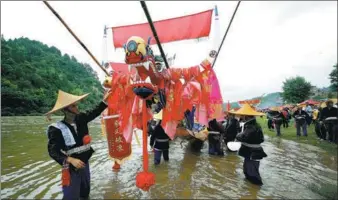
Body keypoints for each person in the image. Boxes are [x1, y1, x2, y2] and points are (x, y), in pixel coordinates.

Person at [46, 89, 111, 200]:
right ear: (65, 111)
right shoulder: (56, 129)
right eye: (73, 106)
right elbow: (53, 151)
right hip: (71, 166)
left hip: (85, 161)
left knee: (85, 192)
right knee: (71, 195)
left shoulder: (82, 118)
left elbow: (94, 111)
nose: (77, 108)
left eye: (76, 105)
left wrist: (105, 101)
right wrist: (70, 160)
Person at [236, 115, 267, 185]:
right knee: (248, 170)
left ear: (247, 117)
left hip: (252, 152)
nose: (243, 117)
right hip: (252, 151)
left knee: (252, 172)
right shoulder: (253, 125)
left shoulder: (251, 126)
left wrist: (238, 135)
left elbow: (244, 137)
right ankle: (251, 188)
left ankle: (257, 188)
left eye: (244, 116)